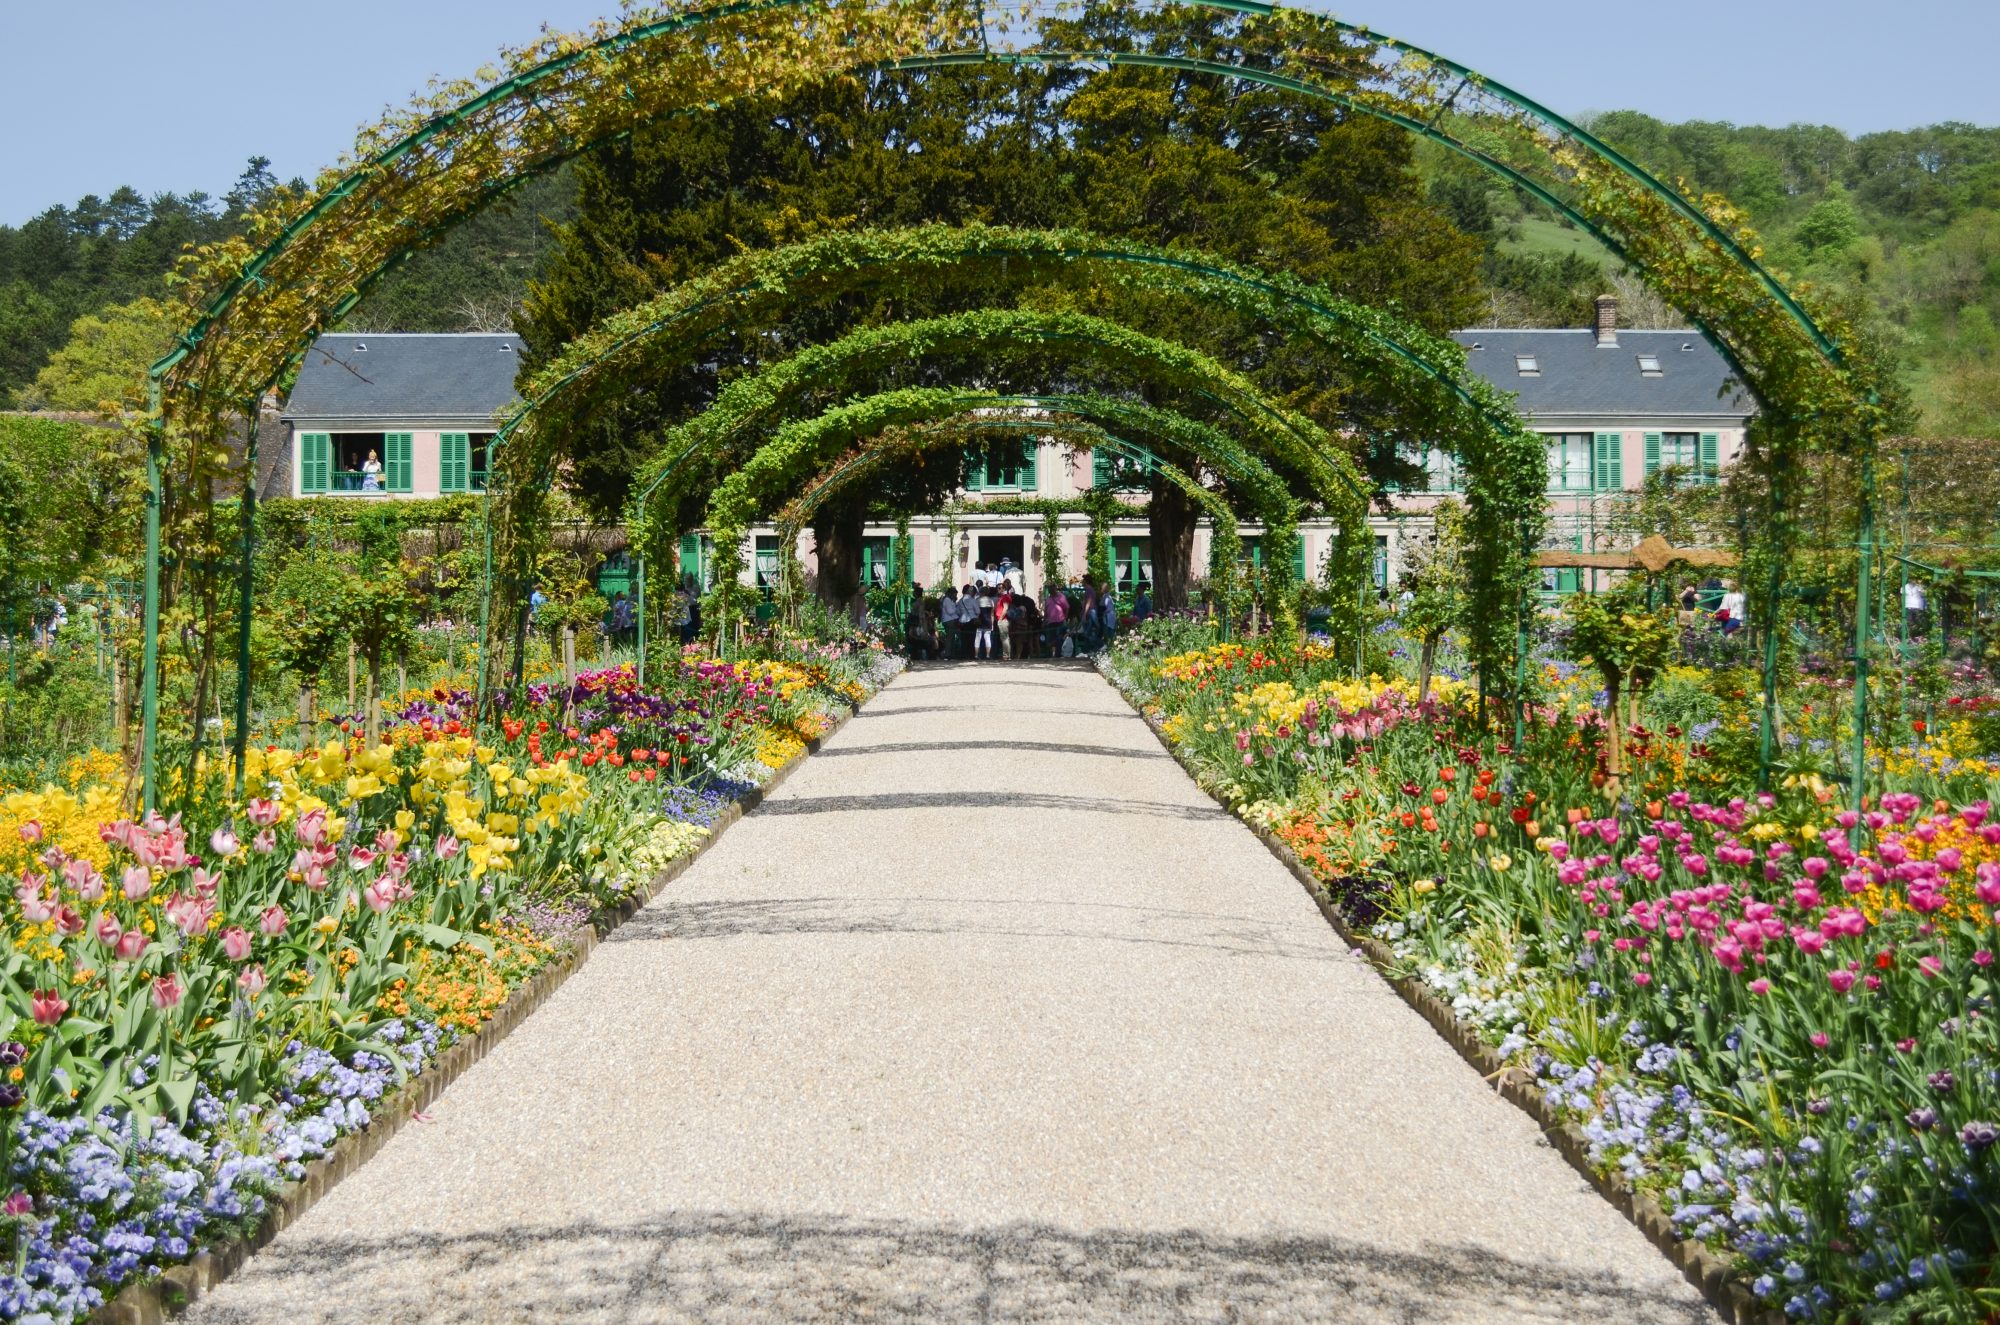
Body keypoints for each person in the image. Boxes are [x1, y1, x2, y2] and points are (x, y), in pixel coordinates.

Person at [905, 584, 937, 660]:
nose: (913, 593)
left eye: (914, 592)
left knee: (917, 638)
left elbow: (920, 614)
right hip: (915, 622)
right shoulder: (919, 601)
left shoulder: (919, 601)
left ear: (916, 593)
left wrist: (922, 624)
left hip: (916, 623)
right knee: (916, 639)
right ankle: (918, 655)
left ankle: (923, 655)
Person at [1042, 582, 1068, 655]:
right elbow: (1046, 612)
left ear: (1055, 588)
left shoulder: (1061, 597)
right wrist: (1044, 621)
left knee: (1059, 639)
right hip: (1050, 622)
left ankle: (1057, 654)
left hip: (1060, 621)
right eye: (1049, 588)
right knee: (1050, 640)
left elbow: (1067, 608)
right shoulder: (1048, 599)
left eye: (1052, 587)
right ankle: (1053, 654)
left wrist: (1065, 618)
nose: (1051, 589)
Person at [1007, 582, 1032, 658]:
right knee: (1019, 642)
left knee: (1013, 641)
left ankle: (1013, 655)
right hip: (1023, 626)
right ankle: (1018, 655)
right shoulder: (1023, 608)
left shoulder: (1015, 608)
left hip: (1015, 626)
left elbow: (1012, 616)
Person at [973, 581, 997, 659]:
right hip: (988, 620)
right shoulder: (991, 601)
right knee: (987, 638)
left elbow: (976, 612)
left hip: (980, 620)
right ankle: (988, 655)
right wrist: (992, 623)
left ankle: (976, 655)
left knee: (978, 638)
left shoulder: (977, 600)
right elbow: (992, 614)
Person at [938, 585, 962, 658]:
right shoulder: (947, 600)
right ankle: (948, 654)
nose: (956, 596)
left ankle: (951, 653)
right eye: (955, 594)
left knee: (952, 638)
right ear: (951, 594)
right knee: (949, 638)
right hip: (949, 621)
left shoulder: (950, 600)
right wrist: (956, 609)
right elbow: (950, 611)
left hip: (951, 620)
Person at [994, 581, 1014, 659]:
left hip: (1003, 620)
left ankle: (1006, 655)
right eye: (998, 588)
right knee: (1004, 638)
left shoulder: (1005, 597)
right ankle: (1006, 655)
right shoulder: (1002, 597)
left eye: (1000, 588)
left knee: (1004, 638)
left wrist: (1000, 619)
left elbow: (1005, 608)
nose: (998, 589)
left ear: (1004, 589)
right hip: (1002, 619)